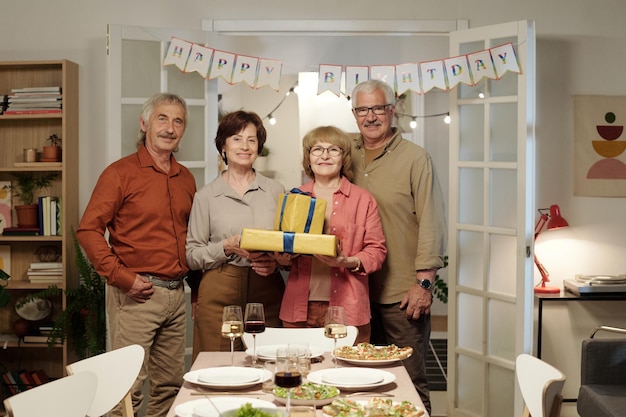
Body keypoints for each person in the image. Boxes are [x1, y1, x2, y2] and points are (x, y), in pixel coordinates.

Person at [76, 93, 197, 417]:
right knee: (125, 388)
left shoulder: (186, 178)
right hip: (135, 296)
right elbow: (88, 230)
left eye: (178, 121)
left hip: (176, 295)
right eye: (162, 118)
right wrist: (123, 278)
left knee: (170, 387)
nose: (170, 128)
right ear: (144, 124)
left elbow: (192, 239)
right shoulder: (119, 173)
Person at [349, 79, 447, 414]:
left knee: (409, 383)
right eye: (363, 109)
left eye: (378, 108)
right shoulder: (344, 153)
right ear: (354, 113)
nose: (371, 116)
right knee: (359, 383)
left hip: (401, 294)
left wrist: (423, 283)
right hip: (353, 291)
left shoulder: (416, 159)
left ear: (393, 110)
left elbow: (432, 223)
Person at [186, 110, 285, 359]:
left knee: (268, 363)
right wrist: (226, 247)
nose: (245, 146)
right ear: (223, 145)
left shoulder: (276, 191)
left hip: (267, 289)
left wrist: (275, 262)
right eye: (237, 138)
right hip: (219, 289)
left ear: (259, 146)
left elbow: (288, 244)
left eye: (251, 140)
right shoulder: (205, 196)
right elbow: (192, 255)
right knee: (218, 365)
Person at [278, 126, 387, 344]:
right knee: (299, 372)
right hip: (299, 308)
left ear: (343, 158)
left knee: (348, 375)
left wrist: (345, 261)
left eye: (333, 150)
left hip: (349, 308)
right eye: (317, 149)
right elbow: (282, 248)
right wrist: (281, 256)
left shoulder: (362, 199)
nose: (325, 155)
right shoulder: (294, 196)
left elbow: (377, 251)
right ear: (308, 158)